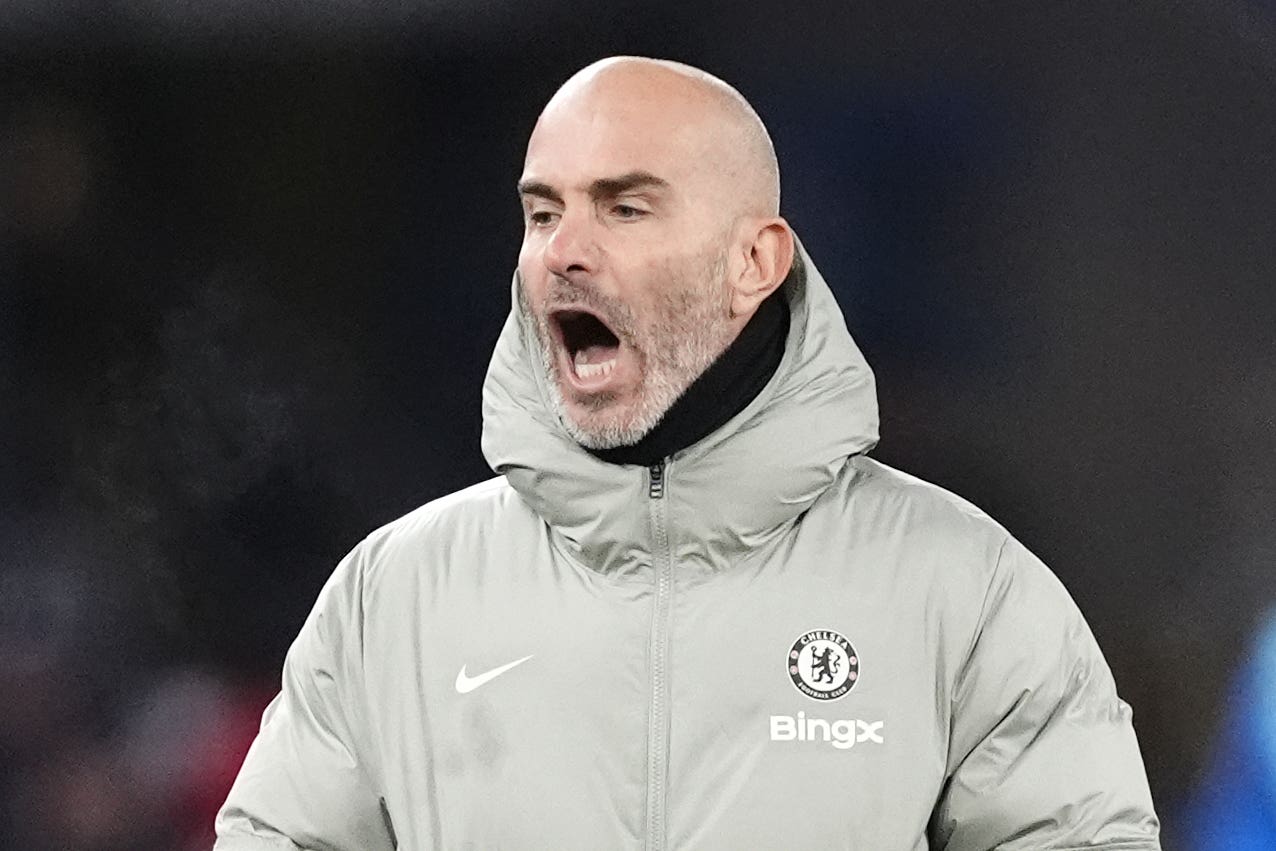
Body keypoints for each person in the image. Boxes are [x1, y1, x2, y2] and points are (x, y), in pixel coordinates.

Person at [214, 56, 1161, 850]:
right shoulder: (395, 596)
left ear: (756, 260)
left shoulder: (968, 589)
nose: (563, 252)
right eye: (543, 214)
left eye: (624, 209)